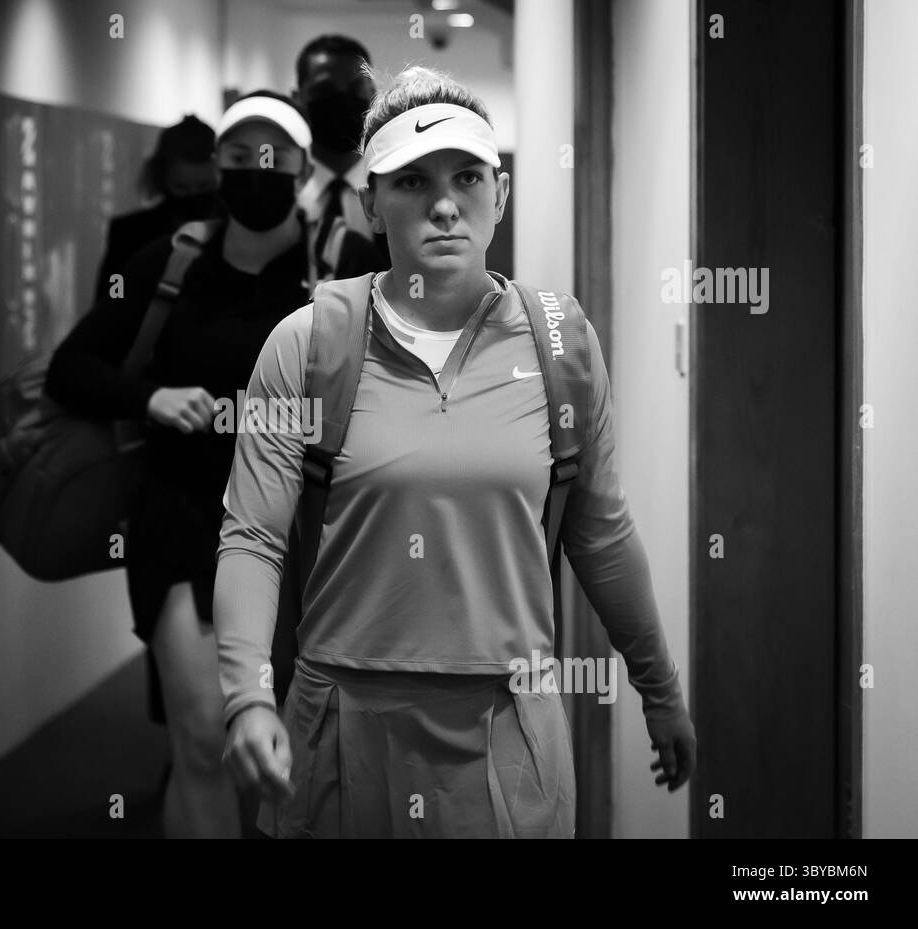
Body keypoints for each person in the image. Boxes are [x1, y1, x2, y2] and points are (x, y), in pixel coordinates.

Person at [213, 66, 697, 838]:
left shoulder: (559, 348)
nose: (444, 204)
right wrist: (246, 694)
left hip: (505, 732)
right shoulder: (307, 345)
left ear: (499, 194)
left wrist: (661, 690)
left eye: (467, 176)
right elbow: (255, 536)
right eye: (411, 181)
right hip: (340, 724)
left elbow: (600, 535)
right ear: (372, 201)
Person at [44, 91, 383, 838]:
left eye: (274, 158)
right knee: (204, 738)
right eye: (239, 157)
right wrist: (151, 395)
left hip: (313, 538)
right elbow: (72, 367)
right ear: (218, 167)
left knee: (302, 750)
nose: (256, 170)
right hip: (185, 523)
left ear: (300, 168)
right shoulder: (169, 258)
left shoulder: (349, 263)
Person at [93, 115, 217, 302]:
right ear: (163, 178)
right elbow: (111, 302)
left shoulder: (237, 231)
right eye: (181, 187)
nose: (193, 196)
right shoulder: (129, 234)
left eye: (203, 187)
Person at [292, 34, 388, 274]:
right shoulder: (280, 190)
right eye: (325, 90)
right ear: (298, 99)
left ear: (373, 96)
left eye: (356, 89)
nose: (342, 100)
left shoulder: (396, 187)